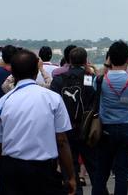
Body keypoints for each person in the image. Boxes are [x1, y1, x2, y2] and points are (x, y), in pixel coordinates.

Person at [0, 48, 77, 194]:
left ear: (13, 73)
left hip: (12, 169)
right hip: (44, 170)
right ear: (36, 71)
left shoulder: (3, 101)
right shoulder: (53, 98)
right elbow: (61, 140)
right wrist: (71, 176)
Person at [92, 41, 128, 195]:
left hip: (105, 129)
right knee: (122, 173)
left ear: (110, 58)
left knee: (101, 172)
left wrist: (107, 62)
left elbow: (96, 77)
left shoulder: (100, 80)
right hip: (127, 129)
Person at [50, 45, 97, 193]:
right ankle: (99, 189)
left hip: (66, 127)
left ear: (69, 60)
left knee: (70, 167)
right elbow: (92, 98)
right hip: (86, 126)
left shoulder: (58, 80)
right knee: (93, 165)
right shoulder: (89, 78)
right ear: (85, 61)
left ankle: (75, 191)